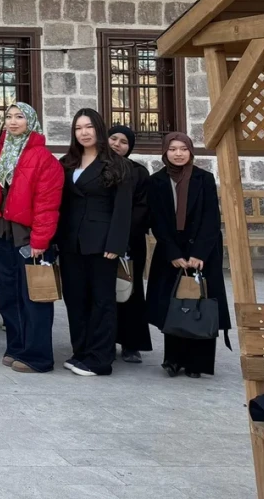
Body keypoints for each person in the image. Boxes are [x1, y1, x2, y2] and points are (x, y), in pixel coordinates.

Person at [0, 103, 62, 373]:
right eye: (9, 116)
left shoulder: (43, 158)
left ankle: (38, 356)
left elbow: (47, 204)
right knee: (9, 296)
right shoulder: (3, 153)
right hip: (3, 234)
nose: (13, 121)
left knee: (35, 299)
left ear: (31, 122)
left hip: (29, 239)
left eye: (19, 117)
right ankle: (16, 346)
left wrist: (40, 241)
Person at [57, 107, 133, 377]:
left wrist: (116, 244)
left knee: (102, 301)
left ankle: (100, 359)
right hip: (70, 242)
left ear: (99, 129)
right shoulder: (67, 163)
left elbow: (123, 209)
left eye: (88, 127)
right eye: (78, 128)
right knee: (75, 299)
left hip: (102, 243)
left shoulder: (116, 164)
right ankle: (81, 352)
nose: (84, 132)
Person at [147, 132, 230, 378]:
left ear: (191, 151)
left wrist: (199, 253)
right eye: (173, 149)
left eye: (183, 148)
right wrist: (172, 252)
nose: (178, 153)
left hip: (202, 252)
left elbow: (211, 219)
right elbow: (157, 220)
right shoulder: (157, 181)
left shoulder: (203, 179)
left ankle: (198, 363)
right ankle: (173, 359)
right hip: (171, 252)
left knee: (200, 304)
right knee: (174, 305)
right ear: (165, 152)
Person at [107, 124, 154, 363]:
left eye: (123, 141)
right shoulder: (96, 168)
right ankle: (104, 340)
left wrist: (121, 236)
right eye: (113, 138)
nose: (117, 144)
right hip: (100, 240)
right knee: (104, 292)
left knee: (130, 291)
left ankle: (130, 343)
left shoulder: (138, 172)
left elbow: (142, 209)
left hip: (129, 241)